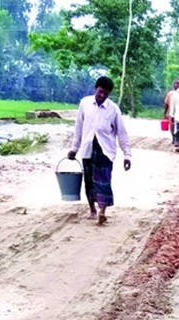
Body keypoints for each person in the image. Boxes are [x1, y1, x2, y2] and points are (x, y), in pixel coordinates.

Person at [67, 76, 132, 225]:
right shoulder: (85, 104)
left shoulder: (113, 109)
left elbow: (122, 133)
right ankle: (92, 210)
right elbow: (79, 128)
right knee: (89, 180)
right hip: (88, 148)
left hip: (105, 151)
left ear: (109, 94)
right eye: (100, 92)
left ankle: (102, 211)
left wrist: (127, 155)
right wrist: (74, 149)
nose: (102, 96)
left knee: (104, 181)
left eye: (106, 94)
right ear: (95, 89)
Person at [164, 79, 179, 144]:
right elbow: (166, 104)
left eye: (178, 84)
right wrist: (165, 113)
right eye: (175, 84)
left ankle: (178, 138)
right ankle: (173, 137)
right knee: (172, 126)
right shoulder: (170, 94)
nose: (176, 85)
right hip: (171, 113)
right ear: (173, 85)